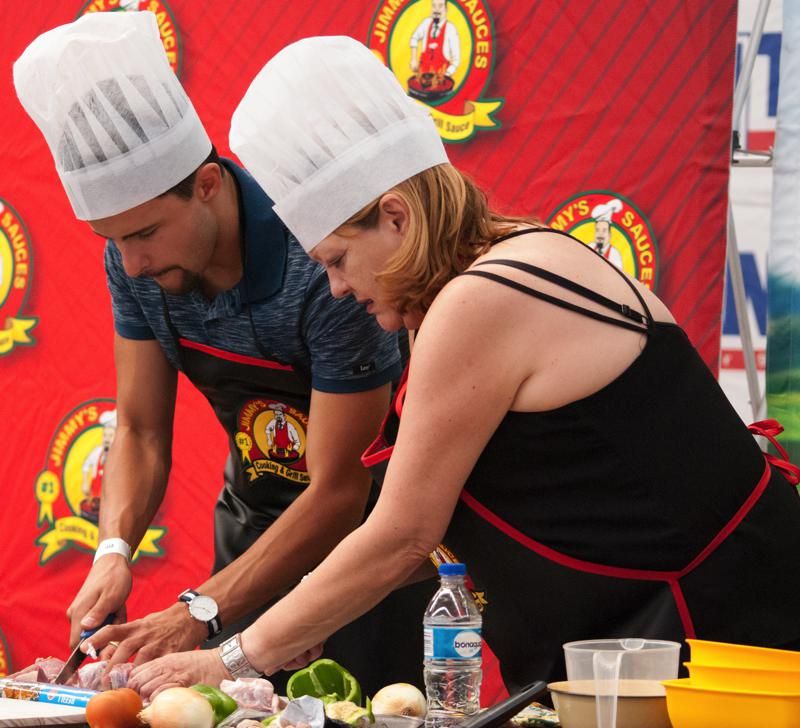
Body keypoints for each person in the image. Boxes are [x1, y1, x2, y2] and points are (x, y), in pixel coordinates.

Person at [127, 35, 800, 699]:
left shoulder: (477, 302)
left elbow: (402, 533)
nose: (336, 287)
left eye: (336, 259)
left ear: (395, 218)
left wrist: (235, 658)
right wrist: (306, 615)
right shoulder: (519, 257)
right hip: (682, 634)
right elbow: (469, 526)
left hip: (717, 647)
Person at [13, 16, 433, 693]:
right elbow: (140, 428)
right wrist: (113, 550)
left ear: (207, 183)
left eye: (145, 232)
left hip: (365, 549)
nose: (132, 263)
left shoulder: (320, 267)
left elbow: (340, 489)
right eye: (111, 239)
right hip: (250, 532)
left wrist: (198, 611)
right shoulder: (133, 263)